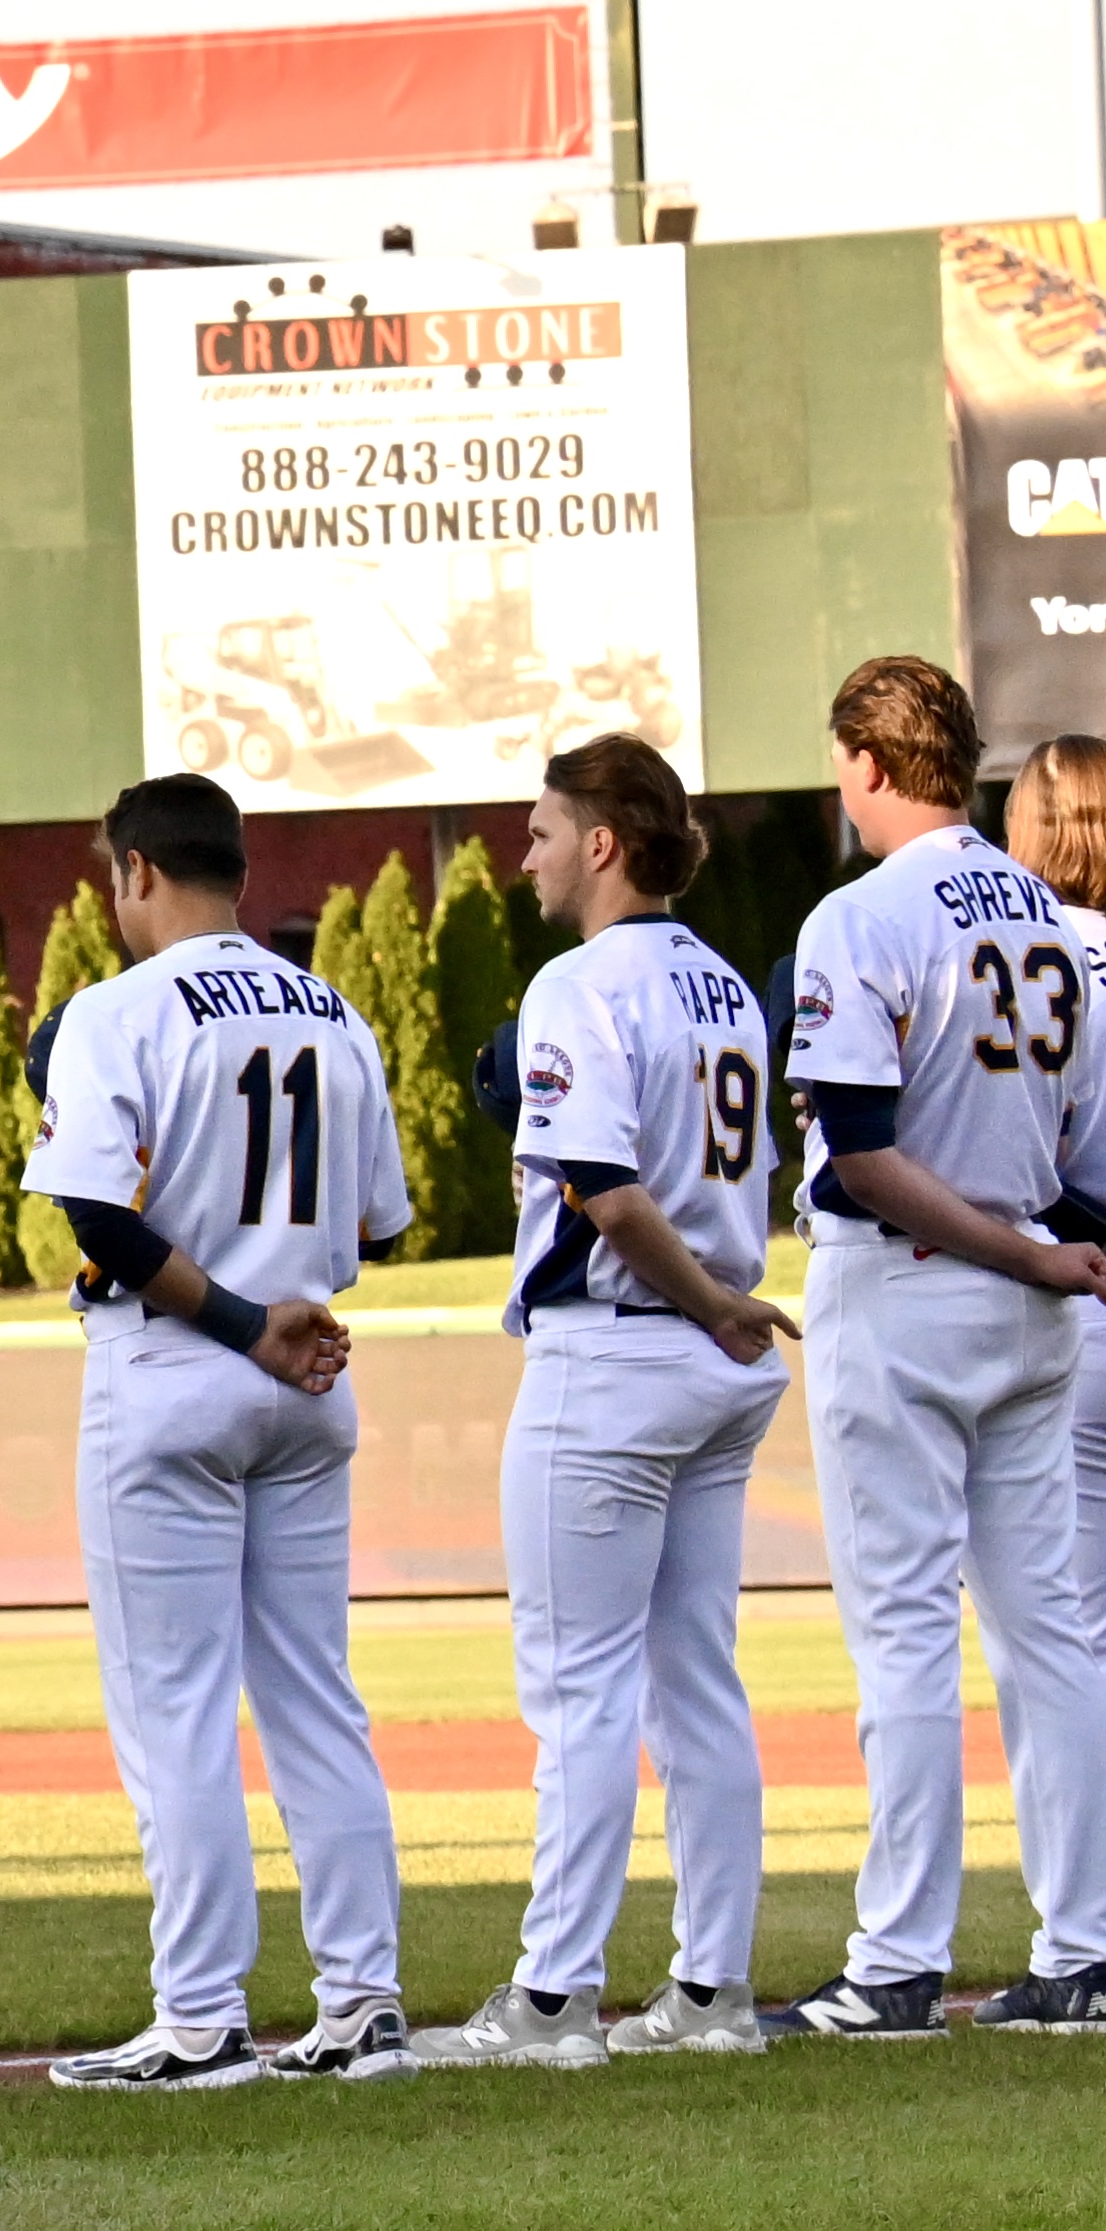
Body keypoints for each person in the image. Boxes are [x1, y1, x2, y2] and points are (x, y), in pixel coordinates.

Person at [25, 774, 421, 2091]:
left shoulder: (115, 1008)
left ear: (137, 872)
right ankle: (365, 2004)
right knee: (316, 1701)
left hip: (183, 1370)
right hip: (309, 1378)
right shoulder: (338, 1010)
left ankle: (200, 2019)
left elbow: (99, 1219)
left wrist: (241, 1316)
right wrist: (277, 1308)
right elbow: (381, 1226)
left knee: (176, 1712)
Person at [404, 739, 793, 2067]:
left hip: (626, 1348)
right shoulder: (726, 984)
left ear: (604, 844)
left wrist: (703, 1302)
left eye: (542, 832)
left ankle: (558, 1997)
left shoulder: (580, 982)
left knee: (578, 1690)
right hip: (714, 1352)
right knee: (698, 1684)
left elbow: (608, 1195)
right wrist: (724, 1306)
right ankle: (714, 1992)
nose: (527, 856)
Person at [773, 656, 1106, 2039]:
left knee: (906, 1635)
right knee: (1054, 1635)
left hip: (912, 1292)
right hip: (1033, 1308)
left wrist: (1012, 1247)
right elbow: (1084, 1161)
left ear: (865, 764)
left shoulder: (859, 914)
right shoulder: (1052, 918)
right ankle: (1083, 1950)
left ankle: (898, 1963)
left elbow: (857, 1157)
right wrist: (1035, 1250)